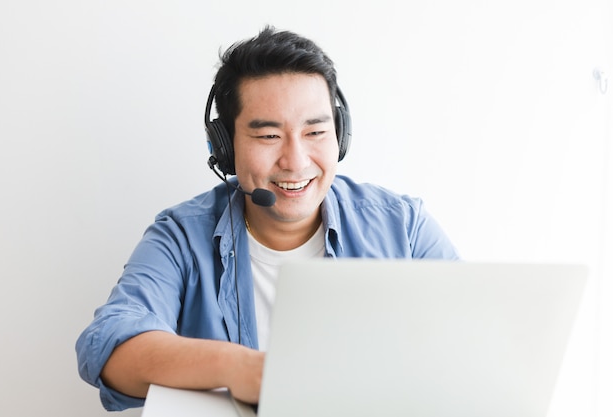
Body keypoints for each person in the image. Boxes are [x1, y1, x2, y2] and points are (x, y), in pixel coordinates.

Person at [75, 25, 459, 412]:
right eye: (268, 137)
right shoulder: (181, 236)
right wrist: (241, 369)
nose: (295, 161)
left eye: (316, 131)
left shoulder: (403, 227)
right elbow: (108, 347)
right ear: (224, 147)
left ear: (340, 135)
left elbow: (477, 340)